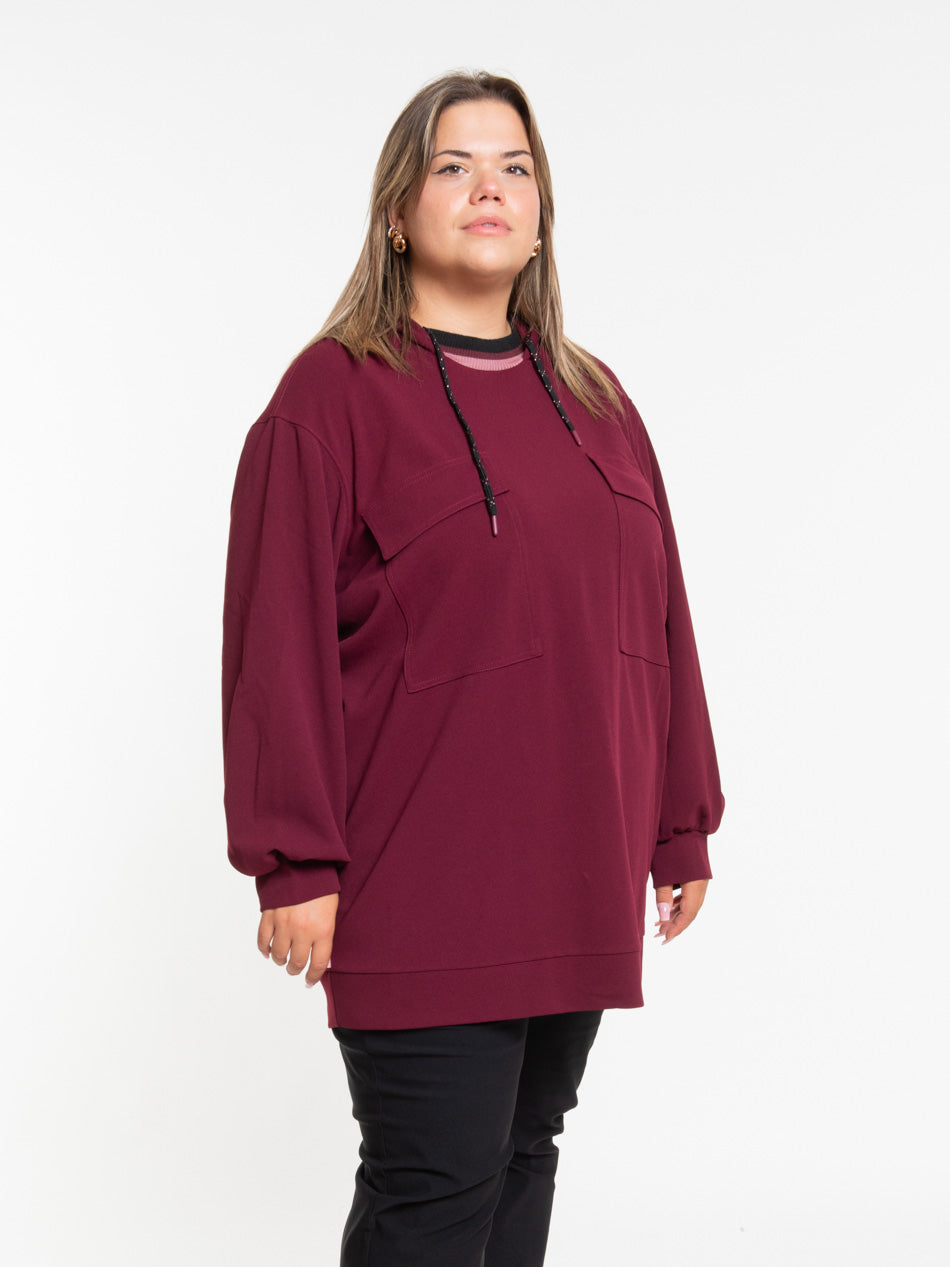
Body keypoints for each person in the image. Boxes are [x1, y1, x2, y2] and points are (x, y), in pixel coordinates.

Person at [222, 70, 724, 1267]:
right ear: (399, 211)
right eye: (452, 166)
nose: (487, 188)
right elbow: (272, 639)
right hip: (420, 873)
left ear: (541, 214)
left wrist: (679, 823)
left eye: (513, 168)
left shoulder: (596, 401)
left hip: (577, 864)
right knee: (435, 1187)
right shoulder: (330, 395)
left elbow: (659, 621)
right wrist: (293, 859)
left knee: (523, 1156)